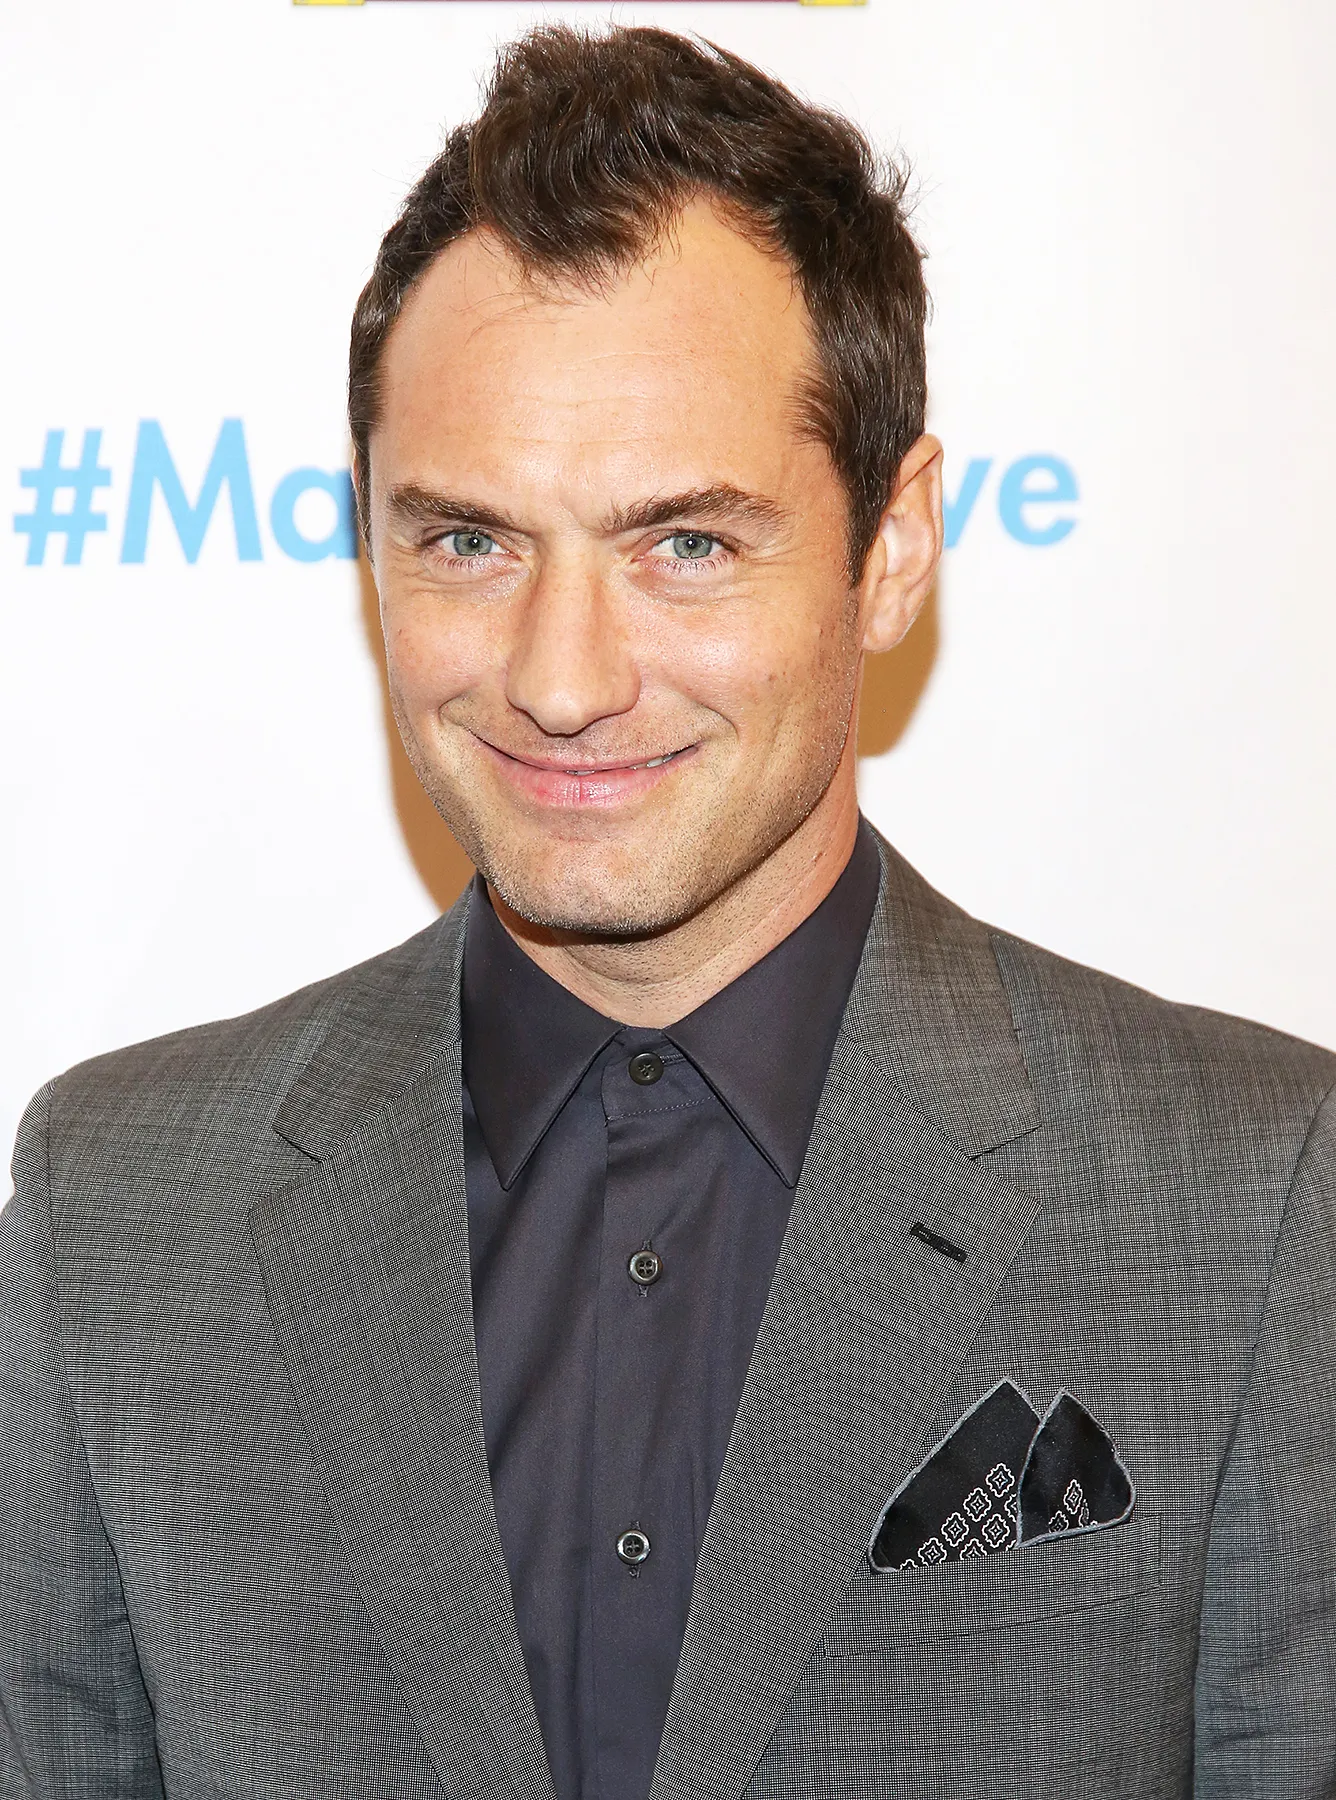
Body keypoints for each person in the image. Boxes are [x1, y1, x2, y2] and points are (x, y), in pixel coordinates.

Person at [3, 23, 1334, 1800]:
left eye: (685, 544)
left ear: (892, 547)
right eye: (470, 541)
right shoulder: (112, 1213)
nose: (562, 680)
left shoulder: (1250, 1201)